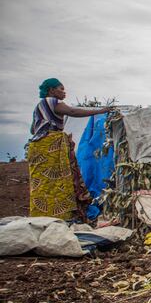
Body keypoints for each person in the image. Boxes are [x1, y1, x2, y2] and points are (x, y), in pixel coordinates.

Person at [27, 78, 111, 221]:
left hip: (37, 147)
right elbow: (73, 111)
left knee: (43, 184)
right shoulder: (52, 101)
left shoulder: (40, 106)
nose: (64, 92)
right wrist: (100, 111)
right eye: (61, 89)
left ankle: (41, 215)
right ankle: (60, 215)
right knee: (58, 181)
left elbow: (32, 130)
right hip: (51, 147)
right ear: (51, 90)